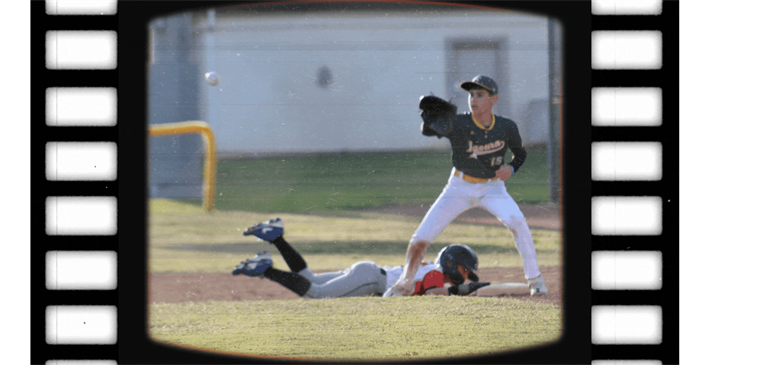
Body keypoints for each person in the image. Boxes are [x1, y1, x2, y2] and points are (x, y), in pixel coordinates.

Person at [384, 75, 548, 297]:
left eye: (480, 94)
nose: (474, 99)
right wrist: (430, 124)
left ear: (493, 99)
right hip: (458, 187)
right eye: (471, 94)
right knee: (420, 239)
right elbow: (430, 130)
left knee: (517, 221)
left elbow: (520, 153)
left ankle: (535, 279)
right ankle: (405, 283)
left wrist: (511, 167)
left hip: (492, 188)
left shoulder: (507, 127)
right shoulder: (458, 123)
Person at [232, 218, 490, 298]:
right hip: (371, 279)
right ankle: (266, 269)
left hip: (368, 272)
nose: (465, 274)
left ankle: (276, 238)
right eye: (464, 269)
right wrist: (462, 290)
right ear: (450, 262)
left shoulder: (431, 270)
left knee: (309, 280)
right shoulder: (434, 275)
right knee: (316, 295)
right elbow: (415, 294)